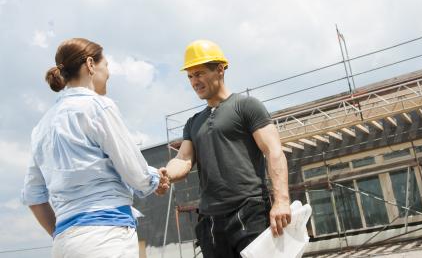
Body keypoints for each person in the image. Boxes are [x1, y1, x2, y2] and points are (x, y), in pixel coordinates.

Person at [21, 38, 168, 258]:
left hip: (63, 244)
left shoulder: (41, 127)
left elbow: (34, 197)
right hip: (106, 238)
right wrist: (156, 178)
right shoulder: (98, 107)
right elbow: (136, 174)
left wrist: (64, 233)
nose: (108, 73)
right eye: (106, 65)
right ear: (90, 64)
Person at [159, 40, 291, 258]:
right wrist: (166, 174)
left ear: (220, 69)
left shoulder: (246, 106)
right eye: (190, 76)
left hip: (250, 212)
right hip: (211, 221)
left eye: (199, 73)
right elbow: (183, 159)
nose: (194, 82)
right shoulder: (193, 123)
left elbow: (274, 151)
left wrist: (282, 201)